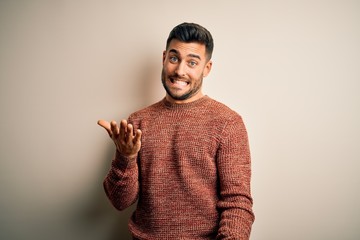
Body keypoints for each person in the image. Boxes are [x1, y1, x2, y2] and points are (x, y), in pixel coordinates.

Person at [98, 22, 255, 239]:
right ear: (164, 58)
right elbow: (119, 201)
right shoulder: (138, 121)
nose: (180, 70)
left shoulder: (228, 123)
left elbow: (237, 203)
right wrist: (126, 156)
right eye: (174, 58)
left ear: (206, 68)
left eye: (192, 62)